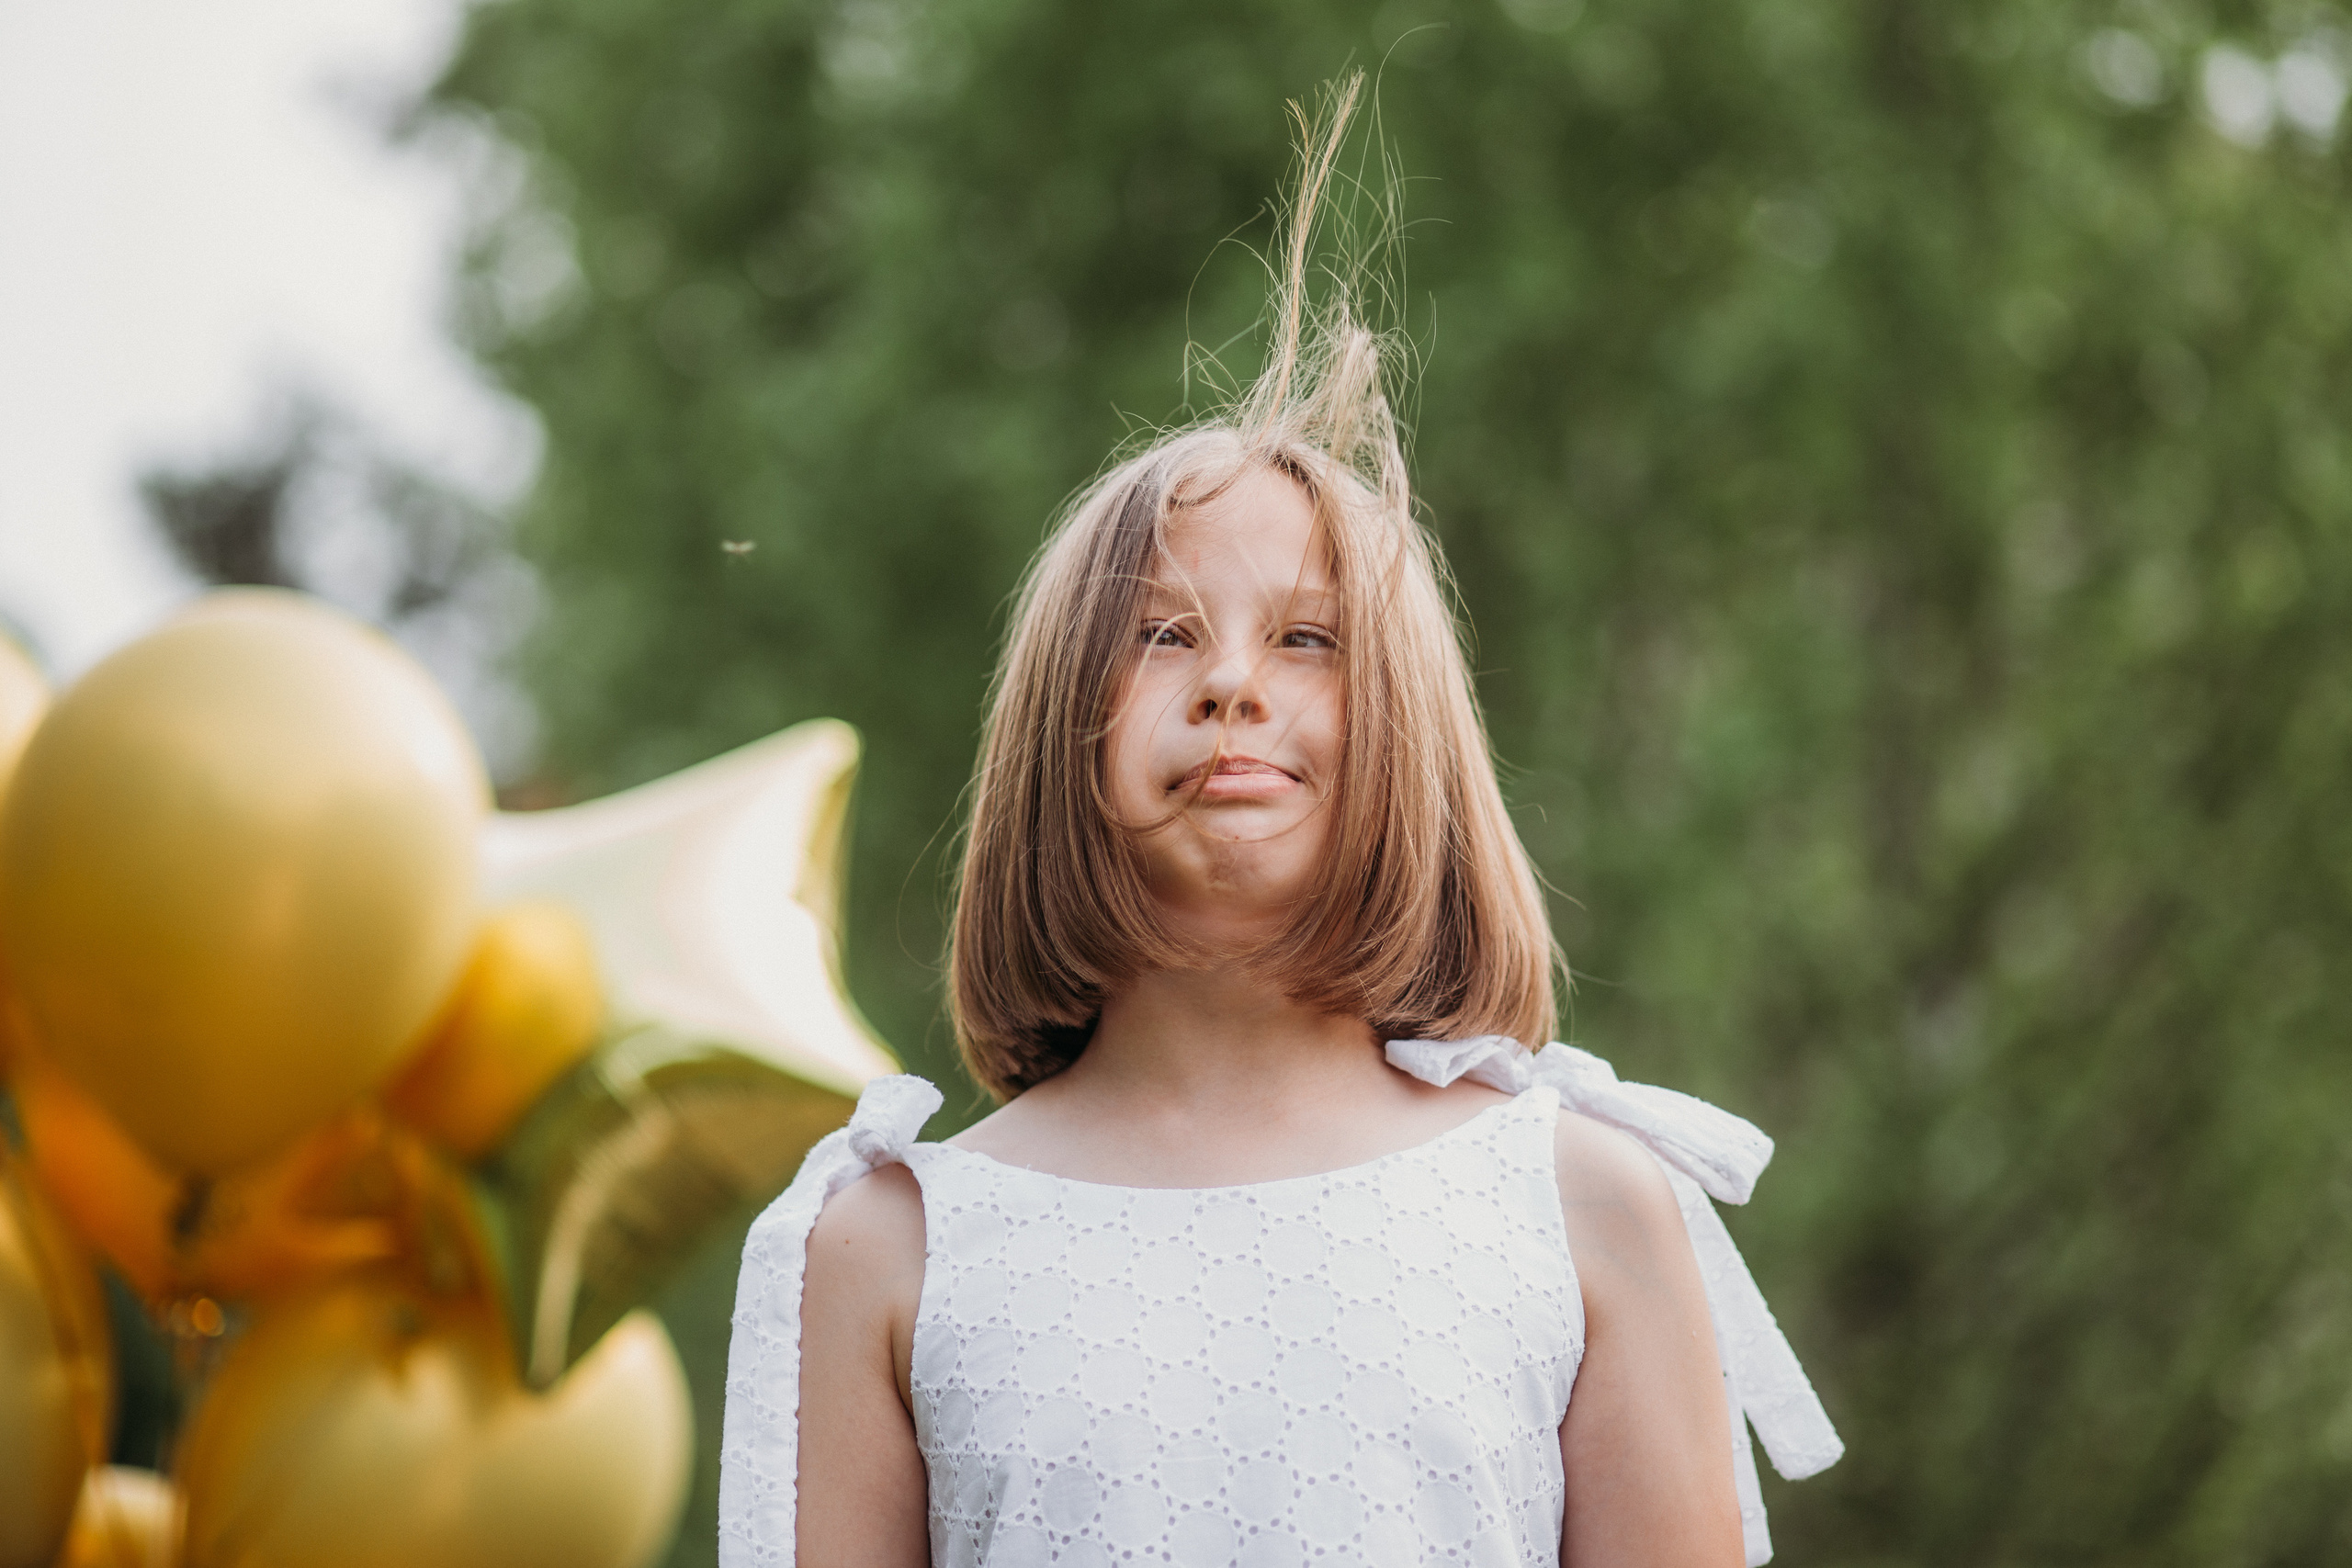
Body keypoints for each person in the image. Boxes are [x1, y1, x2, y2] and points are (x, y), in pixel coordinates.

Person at [718, 77, 1840, 1568]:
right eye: (1164, 636)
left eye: (1309, 641)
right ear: (1062, 728)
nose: (1234, 682)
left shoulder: (1582, 1200)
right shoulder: (889, 1250)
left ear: (1412, 745)